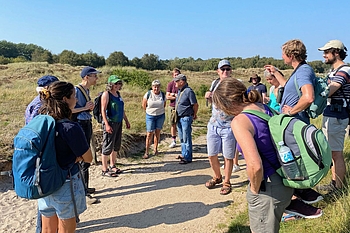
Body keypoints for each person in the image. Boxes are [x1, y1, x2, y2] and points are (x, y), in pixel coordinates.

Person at [212, 78, 294, 233]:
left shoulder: (240, 121)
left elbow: (255, 166)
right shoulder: (263, 107)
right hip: (284, 180)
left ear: (227, 104)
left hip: (268, 187)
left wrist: (254, 191)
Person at [265, 39, 323, 218]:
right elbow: (288, 88)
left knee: (292, 163)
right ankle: (303, 197)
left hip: (294, 125)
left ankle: (296, 205)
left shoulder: (303, 72)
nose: (281, 57)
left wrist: (291, 112)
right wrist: (275, 72)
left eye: (283, 53)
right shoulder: (300, 70)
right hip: (294, 124)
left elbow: (308, 97)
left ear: (290, 55)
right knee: (294, 163)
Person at [37, 81, 92, 233]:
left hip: (44, 182)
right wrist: (77, 158)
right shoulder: (70, 127)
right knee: (67, 229)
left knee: (47, 229)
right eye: (74, 96)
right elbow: (88, 158)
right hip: (65, 182)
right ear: (65, 100)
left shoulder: (42, 122)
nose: (77, 100)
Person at [318, 39, 349, 192]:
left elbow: (331, 89)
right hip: (332, 113)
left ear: (336, 52)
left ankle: (339, 187)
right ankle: (334, 183)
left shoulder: (344, 70)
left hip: (337, 114)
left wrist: (315, 95)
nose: (324, 55)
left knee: (336, 153)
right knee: (332, 152)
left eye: (326, 52)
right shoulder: (335, 71)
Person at [204, 59, 238, 195]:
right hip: (213, 124)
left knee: (228, 156)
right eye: (222, 69)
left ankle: (227, 181)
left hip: (229, 126)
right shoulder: (214, 83)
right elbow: (213, 101)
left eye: (227, 69)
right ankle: (217, 176)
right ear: (218, 71)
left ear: (231, 71)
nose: (225, 72)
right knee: (211, 155)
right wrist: (208, 97)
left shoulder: (235, 85)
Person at [72, 66, 100, 203]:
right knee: (83, 155)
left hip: (85, 122)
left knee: (86, 155)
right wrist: (86, 108)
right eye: (94, 75)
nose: (97, 78)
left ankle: (85, 187)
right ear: (86, 77)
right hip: (80, 124)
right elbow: (71, 109)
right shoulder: (77, 90)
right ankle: (83, 191)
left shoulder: (85, 90)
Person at [101, 75, 130, 177]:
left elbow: (122, 110)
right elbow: (103, 110)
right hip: (110, 122)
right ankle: (104, 169)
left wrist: (126, 120)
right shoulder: (106, 94)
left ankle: (113, 165)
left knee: (116, 145)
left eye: (119, 83)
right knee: (107, 145)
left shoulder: (118, 94)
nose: (118, 85)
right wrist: (107, 124)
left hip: (119, 122)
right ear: (110, 84)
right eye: (115, 83)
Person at [174, 74, 198, 164]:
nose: (175, 82)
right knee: (182, 138)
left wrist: (194, 114)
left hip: (186, 117)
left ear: (182, 81)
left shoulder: (188, 91)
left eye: (177, 81)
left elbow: (195, 104)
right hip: (180, 118)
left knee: (186, 138)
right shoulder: (181, 91)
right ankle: (184, 154)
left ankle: (187, 157)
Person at [142, 80, 166, 159]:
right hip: (150, 116)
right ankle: (147, 152)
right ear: (152, 87)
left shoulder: (162, 94)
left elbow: (164, 104)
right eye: (154, 87)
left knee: (157, 132)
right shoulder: (148, 94)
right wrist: (149, 112)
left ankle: (155, 149)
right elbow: (144, 105)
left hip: (160, 115)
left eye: (158, 86)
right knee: (149, 133)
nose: (156, 88)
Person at [166, 68, 181, 148]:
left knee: (181, 123)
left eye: (177, 75)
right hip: (172, 106)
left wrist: (173, 95)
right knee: (173, 124)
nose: (176, 76)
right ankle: (173, 140)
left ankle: (182, 139)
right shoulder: (170, 84)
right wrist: (176, 96)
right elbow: (167, 97)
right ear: (173, 75)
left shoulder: (182, 84)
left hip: (181, 107)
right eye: (175, 75)